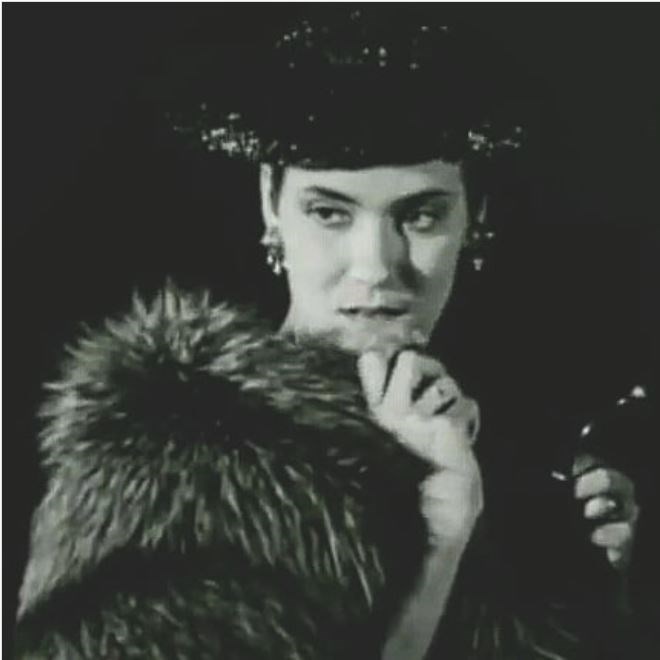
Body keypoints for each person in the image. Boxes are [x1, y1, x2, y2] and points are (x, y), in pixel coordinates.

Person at [14, 9, 644, 659]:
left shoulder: (497, 451)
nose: (376, 267)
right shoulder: (169, 447)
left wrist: (592, 577)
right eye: (329, 213)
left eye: (421, 216)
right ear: (272, 207)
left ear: (475, 217)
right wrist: (441, 538)